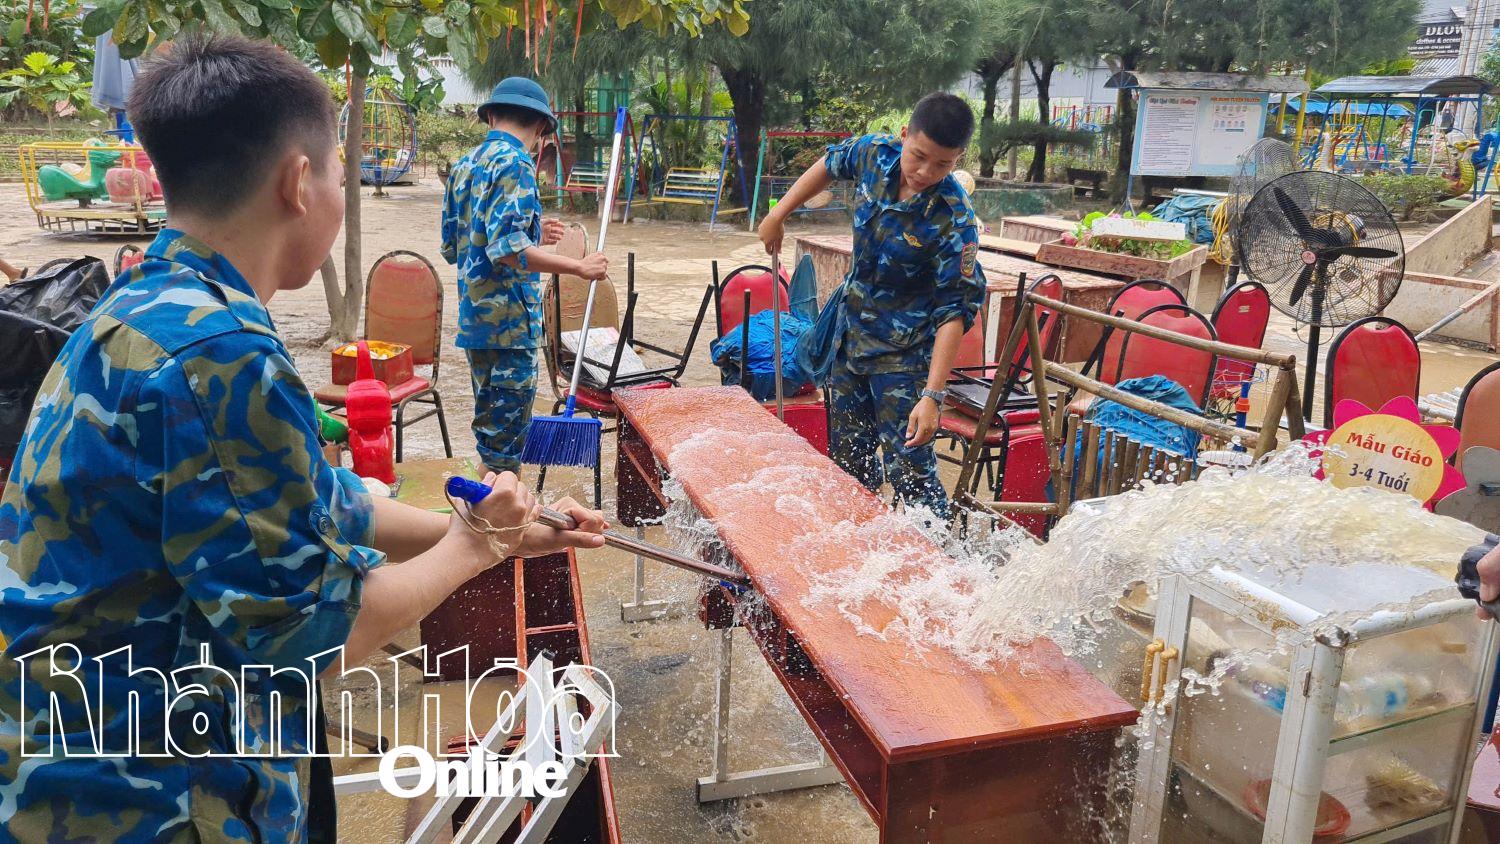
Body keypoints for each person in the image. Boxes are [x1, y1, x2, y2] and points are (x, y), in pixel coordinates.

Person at [0, 36, 607, 842]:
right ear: (297, 182)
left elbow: (322, 505)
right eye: (338, 174)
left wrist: (509, 534)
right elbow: (324, 638)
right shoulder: (218, 356)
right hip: (137, 798)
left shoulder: (154, 300)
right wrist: (474, 548)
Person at [758, 93, 985, 521]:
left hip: (904, 359)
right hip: (850, 342)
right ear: (904, 135)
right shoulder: (874, 155)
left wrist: (932, 396)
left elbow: (954, 311)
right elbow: (830, 163)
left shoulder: (954, 219)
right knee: (849, 463)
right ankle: (859, 543)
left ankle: (935, 557)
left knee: (912, 474)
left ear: (958, 159)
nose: (925, 172)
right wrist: (779, 213)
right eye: (918, 156)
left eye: (942, 164)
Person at [441, 78, 608, 474]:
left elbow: (455, 246)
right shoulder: (516, 163)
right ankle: (494, 513)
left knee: (492, 439)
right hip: (510, 328)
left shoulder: (464, 166)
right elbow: (506, 250)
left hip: (476, 324)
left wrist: (533, 233)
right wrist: (579, 267)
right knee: (505, 451)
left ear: (491, 117)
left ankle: (486, 508)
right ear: (540, 127)